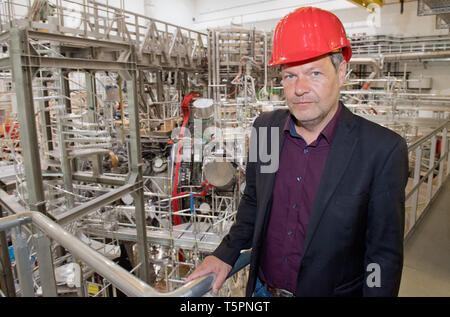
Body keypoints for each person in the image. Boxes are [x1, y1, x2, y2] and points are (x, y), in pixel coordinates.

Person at [185, 6, 409, 297]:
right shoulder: (265, 129)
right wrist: (224, 254)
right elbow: (253, 202)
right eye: (290, 76)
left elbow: (382, 256)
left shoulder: (381, 150)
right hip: (263, 292)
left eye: (314, 73)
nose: (300, 88)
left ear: (341, 73)